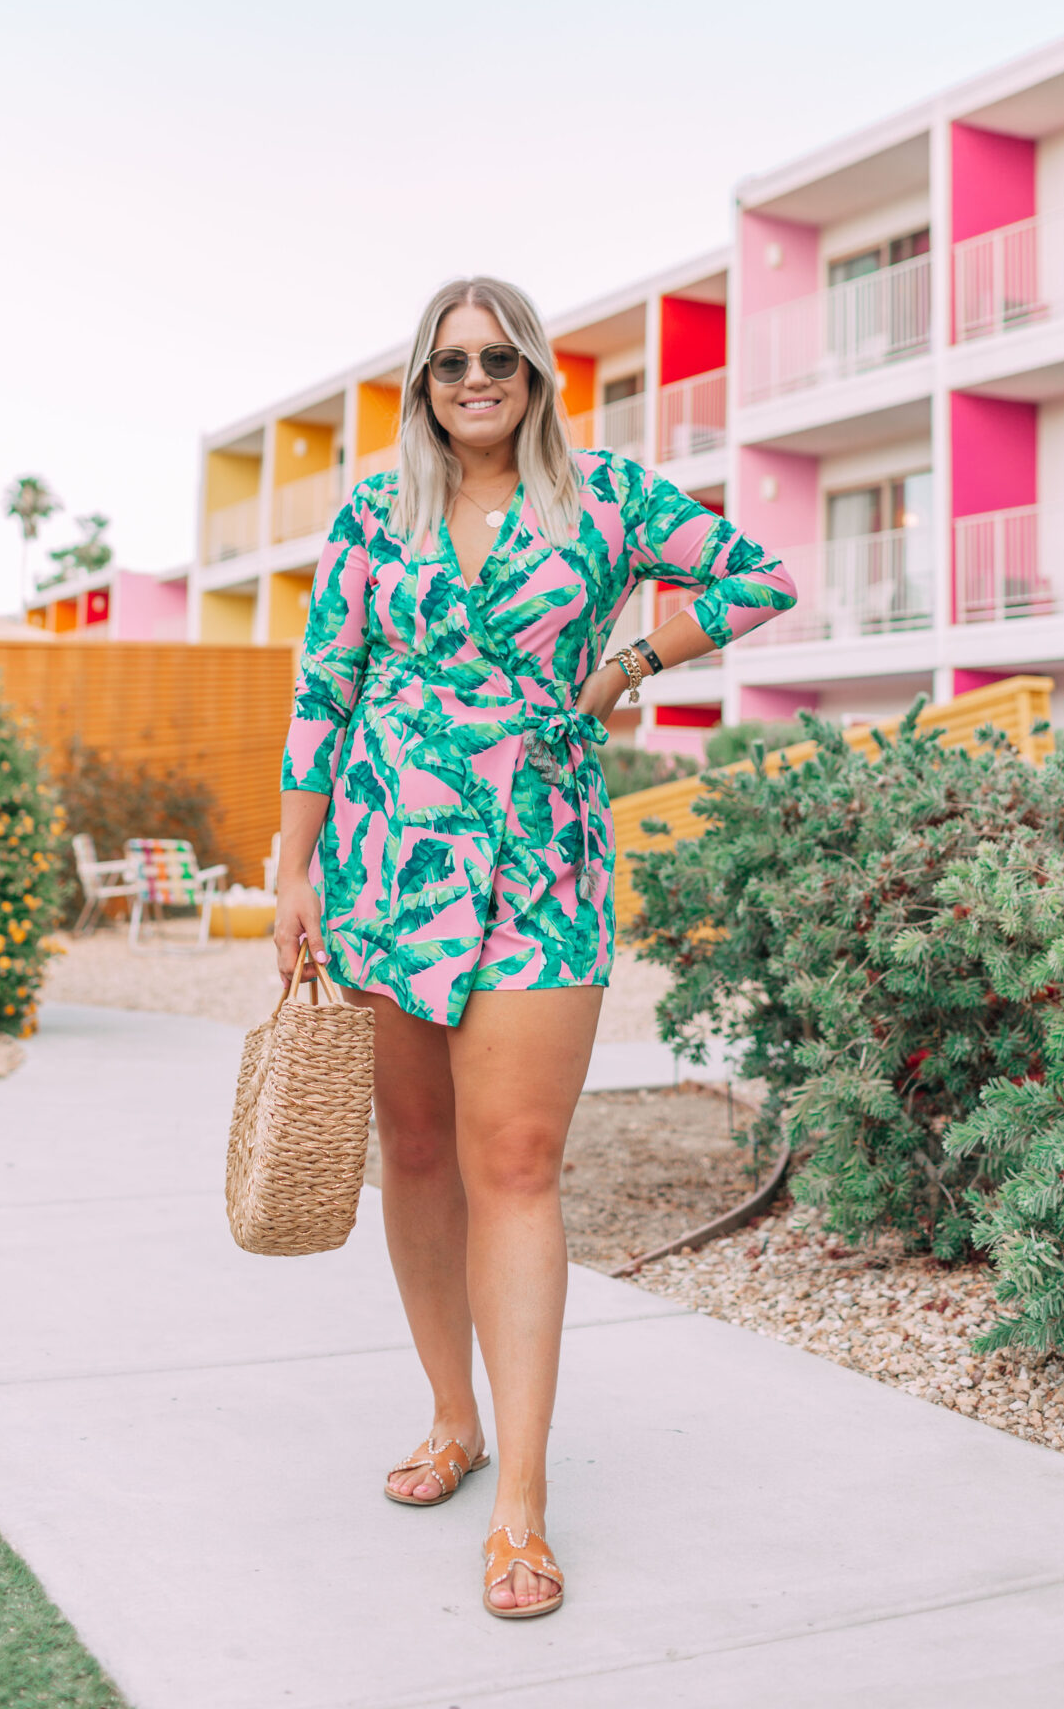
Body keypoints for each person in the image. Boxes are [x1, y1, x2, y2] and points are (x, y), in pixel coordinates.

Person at [274, 276, 796, 1620]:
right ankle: (453, 1418)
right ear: (421, 382)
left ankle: (523, 1500)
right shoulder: (373, 515)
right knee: (419, 1152)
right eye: (450, 362)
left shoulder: (608, 496)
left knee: (515, 1162)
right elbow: (325, 684)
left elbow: (758, 578)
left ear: (537, 373)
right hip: (386, 860)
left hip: (541, 864)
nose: (475, 379)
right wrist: (291, 867)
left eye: (498, 357)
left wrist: (629, 664)